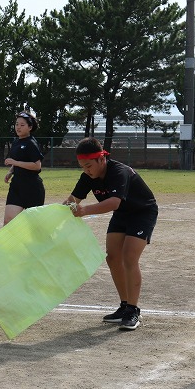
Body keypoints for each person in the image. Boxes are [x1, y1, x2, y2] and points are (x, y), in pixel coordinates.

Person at [63, 137, 158, 331]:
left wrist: (84, 210)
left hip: (142, 212)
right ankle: (124, 306)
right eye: (82, 166)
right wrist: (57, 213)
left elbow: (114, 202)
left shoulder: (118, 171)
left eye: (89, 165)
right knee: (113, 257)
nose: (86, 170)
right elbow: (72, 200)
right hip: (122, 214)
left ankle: (133, 311)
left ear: (101, 158)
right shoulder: (87, 177)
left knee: (129, 257)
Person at [3, 111, 45, 225]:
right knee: (8, 220)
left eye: (22, 125)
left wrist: (15, 163)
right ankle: (9, 243)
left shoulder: (31, 143)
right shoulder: (16, 142)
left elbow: (37, 166)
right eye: (17, 124)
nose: (18, 127)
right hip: (17, 186)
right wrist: (11, 171)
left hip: (32, 188)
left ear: (30, 127)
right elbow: (18, 161)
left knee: (35, 226)